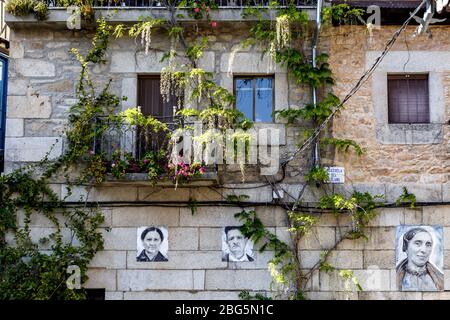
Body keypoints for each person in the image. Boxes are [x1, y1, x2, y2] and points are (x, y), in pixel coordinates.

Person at [396, 227, 443, 291]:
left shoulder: (440, 278)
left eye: (428, 244)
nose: (424, 250)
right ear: (406, 247)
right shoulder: (395, 276)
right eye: (417, 243)